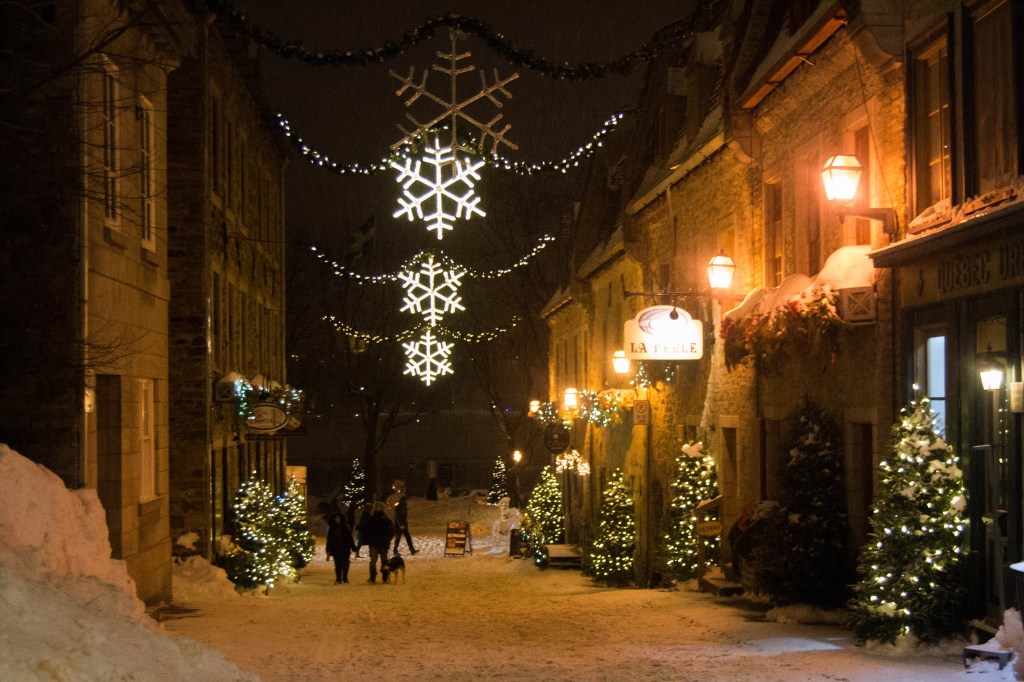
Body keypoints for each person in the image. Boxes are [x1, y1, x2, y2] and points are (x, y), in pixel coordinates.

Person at [358, 501, 393, 583]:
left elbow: (391, 531)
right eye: (377, 507)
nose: (378, 508)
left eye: (379, 507)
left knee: (384, 561)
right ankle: (372, 576)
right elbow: (367, 530)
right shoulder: (371, 519)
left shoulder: (386, 519)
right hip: (374, 543)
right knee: (373, 561)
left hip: (383, 543)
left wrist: (387, 539)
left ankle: (385, 577)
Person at [324, 512, 355, 584]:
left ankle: (345, 578)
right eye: (336, 518)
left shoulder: (345, 527)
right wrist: (328, 550)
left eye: (338, 518)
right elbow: (329, 540)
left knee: (345, 564)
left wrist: (353, 547)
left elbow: (350, 538)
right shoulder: (332, 528)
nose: (337, 519)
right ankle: (338, 578)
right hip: (336, 548)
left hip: (345, 548)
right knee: (338, 564)